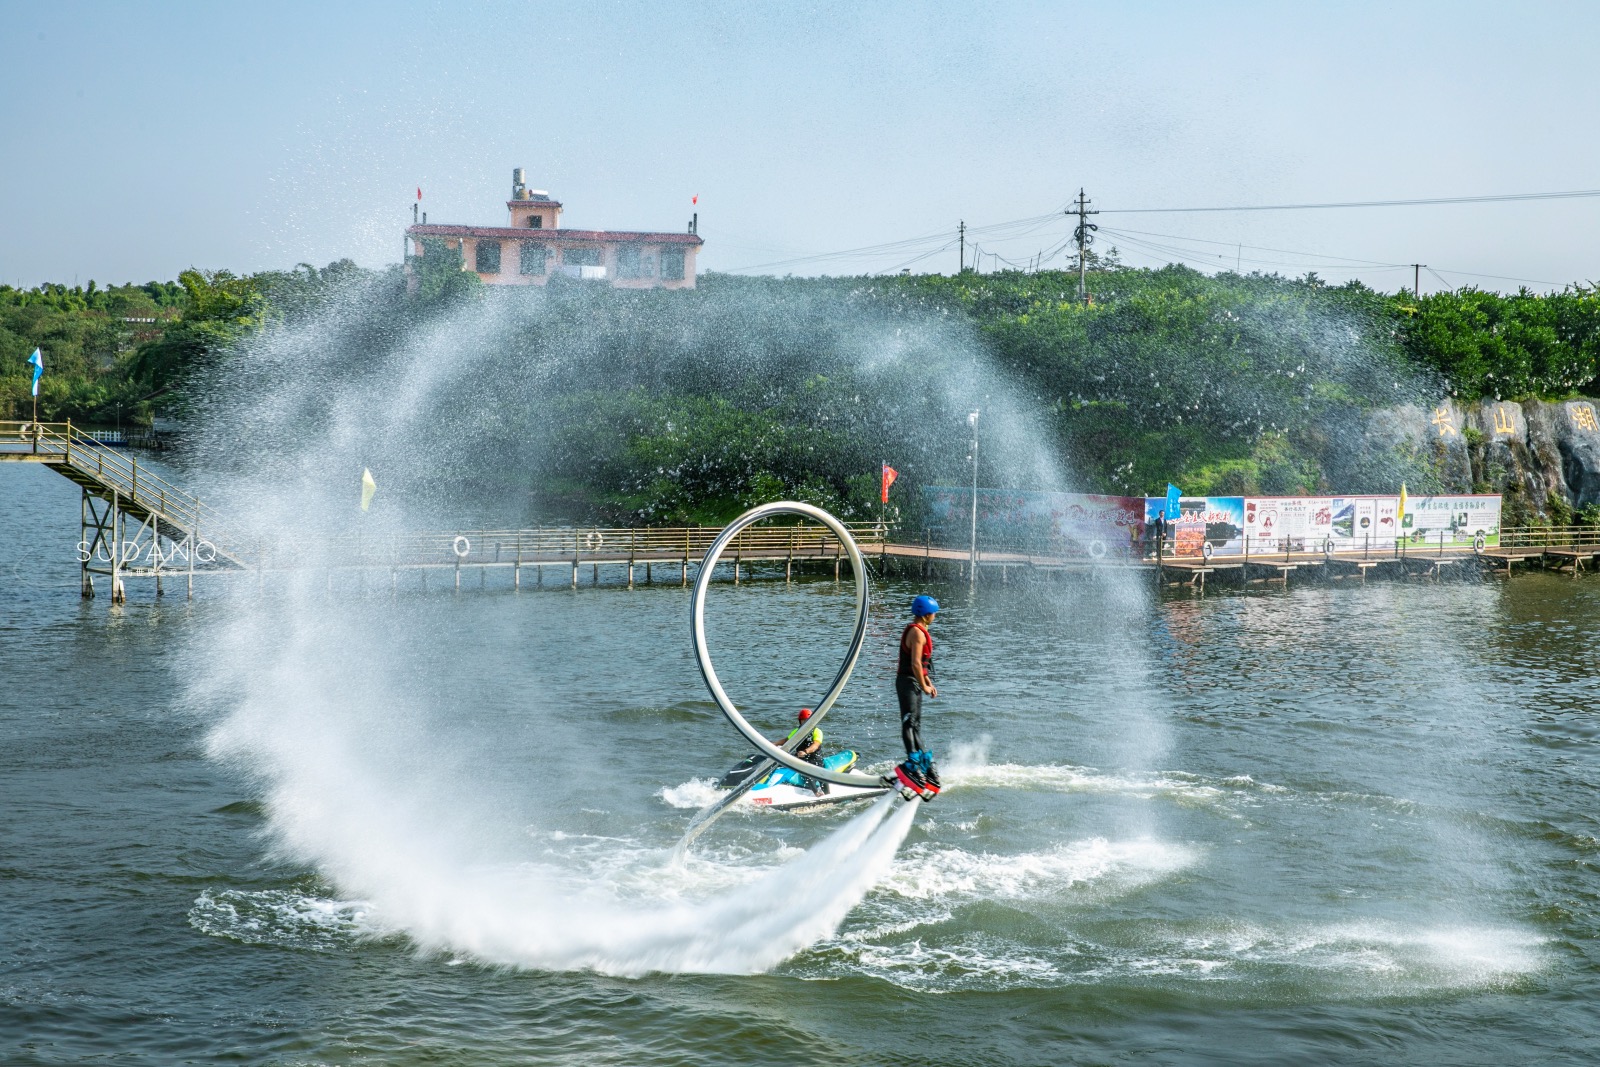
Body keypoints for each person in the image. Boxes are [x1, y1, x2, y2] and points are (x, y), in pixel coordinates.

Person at [894, 595, 941, 793]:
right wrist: (924, 686)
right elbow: (914, 663)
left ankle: (923, 763)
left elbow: (921, 666)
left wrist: (927, 681)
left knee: (916, 724)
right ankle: (912, 762)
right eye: (934, 613)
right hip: (906, 682)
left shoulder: (921, 631)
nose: (935, 616)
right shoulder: (916, 633)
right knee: (909, 722)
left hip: (913, 681)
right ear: (925, 614)